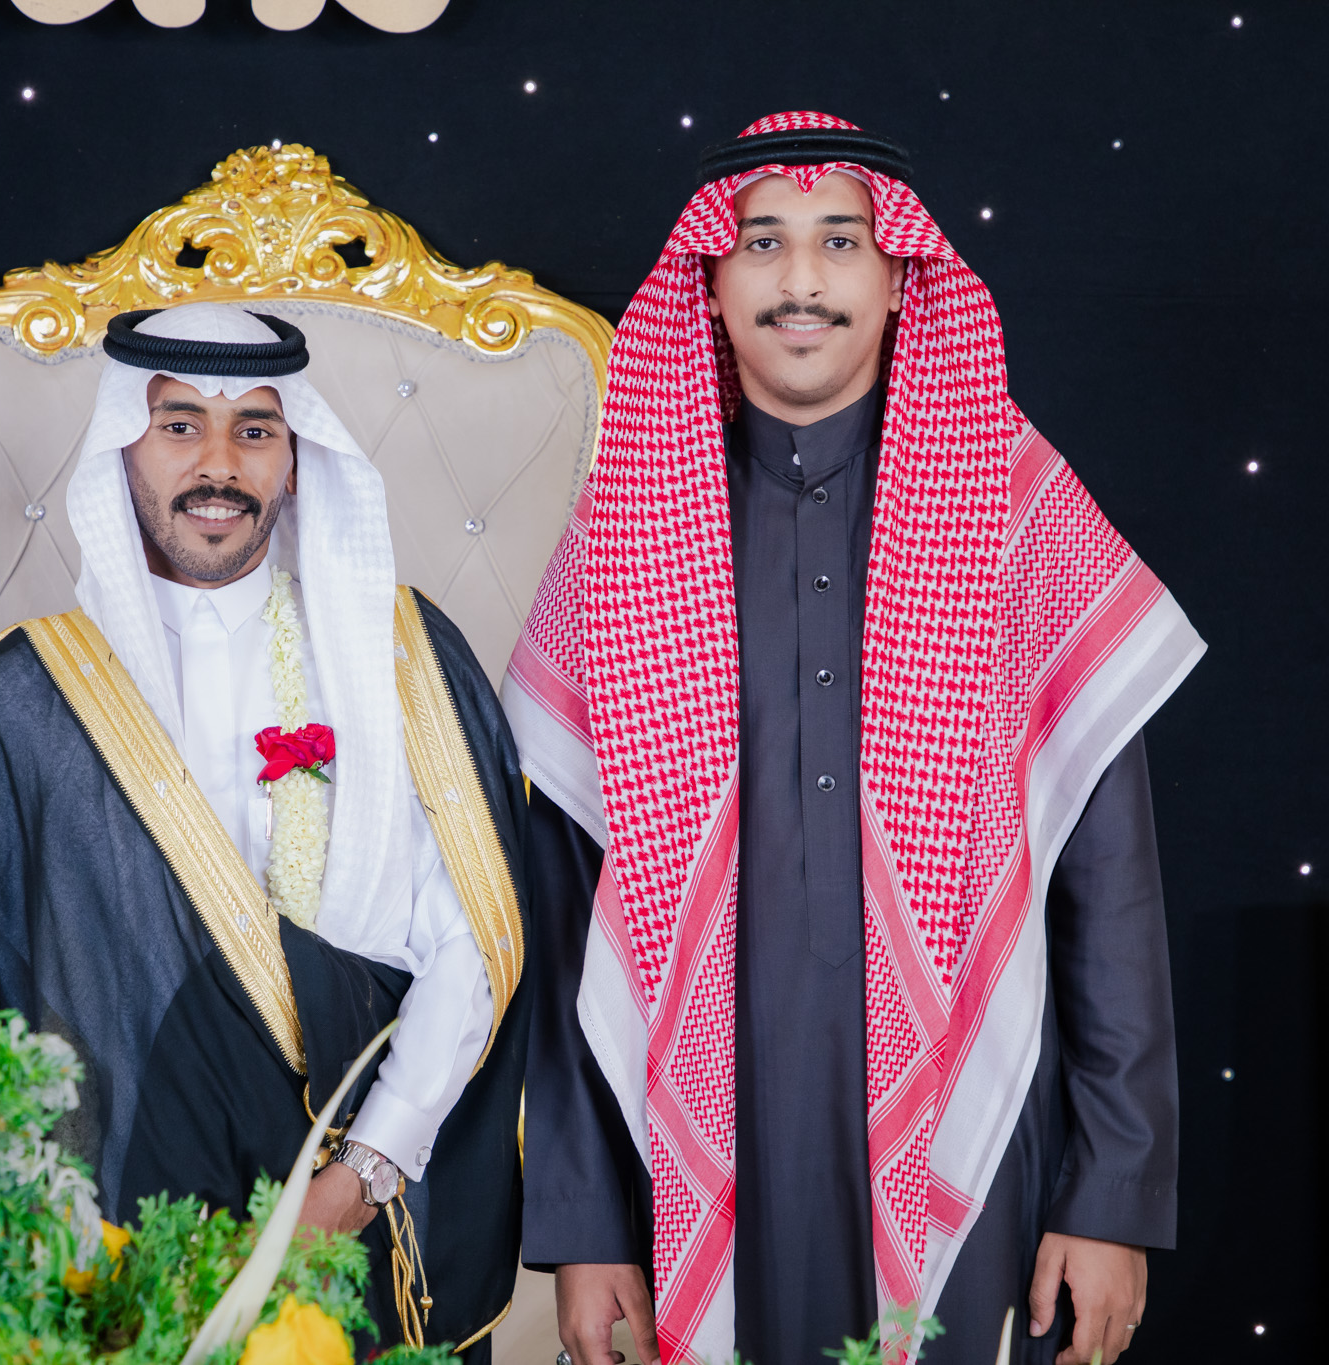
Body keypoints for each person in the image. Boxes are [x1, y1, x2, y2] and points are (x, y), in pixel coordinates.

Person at [506, 113, 1204, 1365]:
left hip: (971, 1117)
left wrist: (1109, 1196)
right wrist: (584, 1227)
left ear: (897, 280)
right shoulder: (625, 529)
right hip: (695, 1129)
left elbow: (1110, 893)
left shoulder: (1015, 516)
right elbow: (562, 915)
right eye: (761, 243)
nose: (801, 279)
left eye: (840, 241)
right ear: (708, 285)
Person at [0, 302, 530, 1358]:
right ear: (124, 446)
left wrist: (361, 1175)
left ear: (297, 457)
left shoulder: (402, 656)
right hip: (113, 1234)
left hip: (357, 1207)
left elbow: (475, 938)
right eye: (179, 424)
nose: (219, 465)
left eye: (255, 429)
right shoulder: (24, 699)